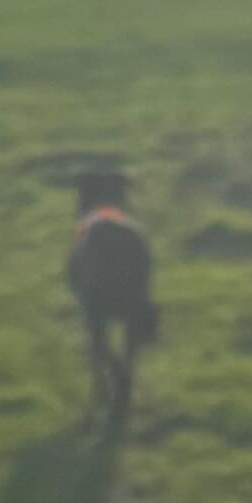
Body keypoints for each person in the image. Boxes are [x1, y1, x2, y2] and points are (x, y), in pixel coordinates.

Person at [66, 155, 158, 426]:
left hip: (92, 279)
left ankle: (106, 379)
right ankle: (126, 369)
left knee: (94, 318)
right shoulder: (133, 233)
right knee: (135, 306)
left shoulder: (87, 231)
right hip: (134, 273)